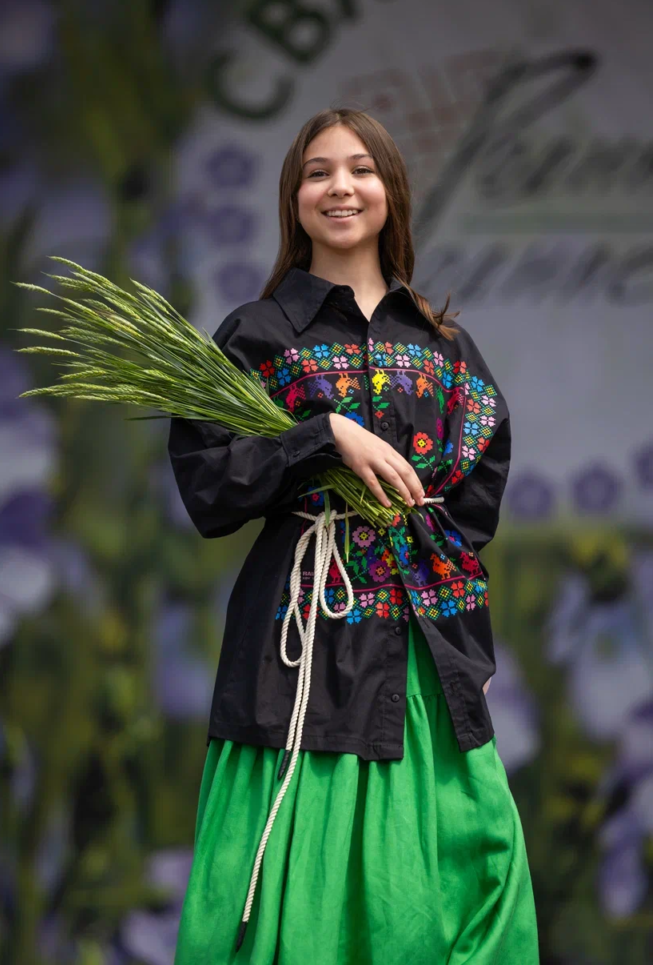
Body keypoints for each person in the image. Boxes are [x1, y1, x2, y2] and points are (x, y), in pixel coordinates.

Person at [168, 107, 540, 963]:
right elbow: (209, 486)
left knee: (473, 875)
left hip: (419, 655)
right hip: (297, 658)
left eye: (361, 169)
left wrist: (462, 640)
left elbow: (474, 501)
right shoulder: (256, 336)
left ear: (391, 192)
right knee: (303, 906)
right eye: (318, 172)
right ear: (293, 199)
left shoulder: (445, 347)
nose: (340, 187)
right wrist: (323, 437)